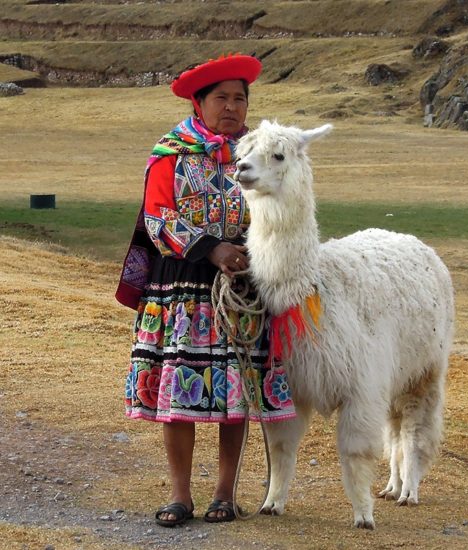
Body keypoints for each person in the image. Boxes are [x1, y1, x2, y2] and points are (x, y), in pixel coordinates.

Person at [115, 54, 296, 527]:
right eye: (222, 98)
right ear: (200, 103)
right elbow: (159, 219)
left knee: (234, 391)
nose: (232, 107)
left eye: (240, 98)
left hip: (243, 287)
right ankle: (180, 495)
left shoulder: (260, 154)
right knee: (180, 395)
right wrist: (212, 249)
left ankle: (223, 492)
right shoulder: (171, 154)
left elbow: (283, 210)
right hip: (181, 286)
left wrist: (261, 251)